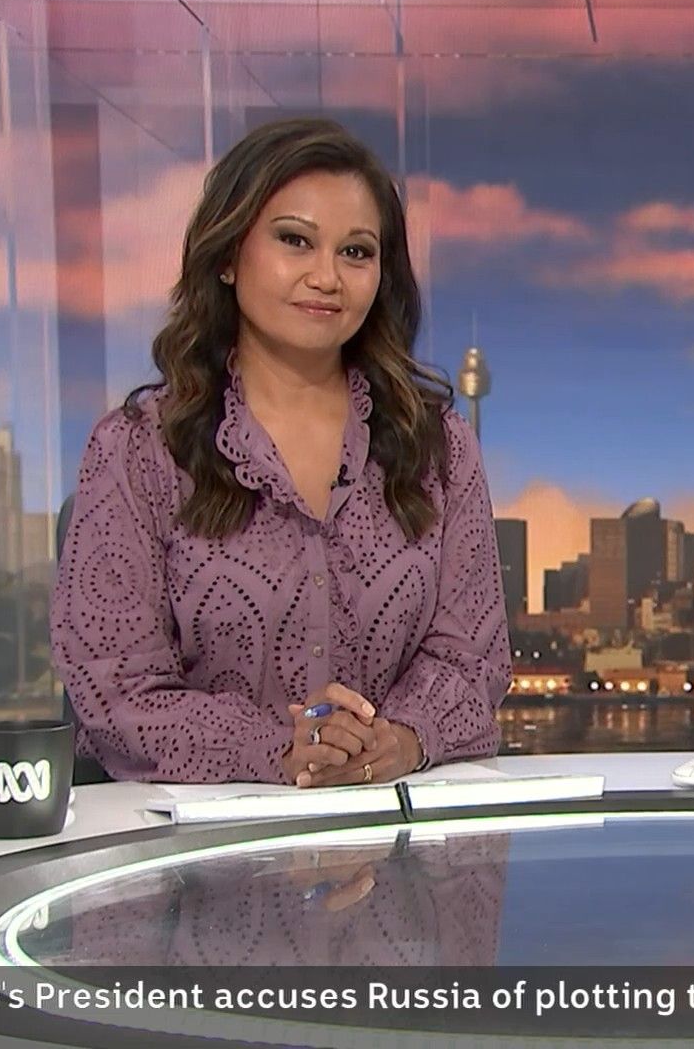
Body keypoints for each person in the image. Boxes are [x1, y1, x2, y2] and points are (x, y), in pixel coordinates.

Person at [52, 117, 510, 787]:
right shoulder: (137, 450)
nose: (326, 277)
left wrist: (400, 740)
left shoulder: (438, 445)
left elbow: (471, 660)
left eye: (356, 252)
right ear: (227, 256)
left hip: (393, 818)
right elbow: (116, 689)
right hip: (201, 837)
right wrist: (278, 749)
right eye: (295, 240)